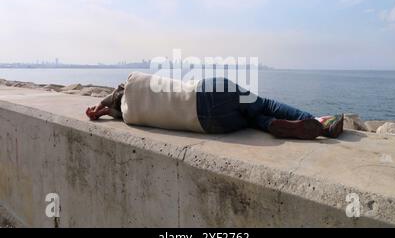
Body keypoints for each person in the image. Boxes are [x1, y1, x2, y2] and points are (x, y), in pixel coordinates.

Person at [86, 71, 344, 139]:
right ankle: (320, 121)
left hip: (211, 125)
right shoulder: (131, 83)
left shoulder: (131, 116)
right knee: (262, 102)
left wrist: (103, 111)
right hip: (210, 92)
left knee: (252, 118)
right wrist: (101, 105)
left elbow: (114, 106)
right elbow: (118, 92)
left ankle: (271, 125)